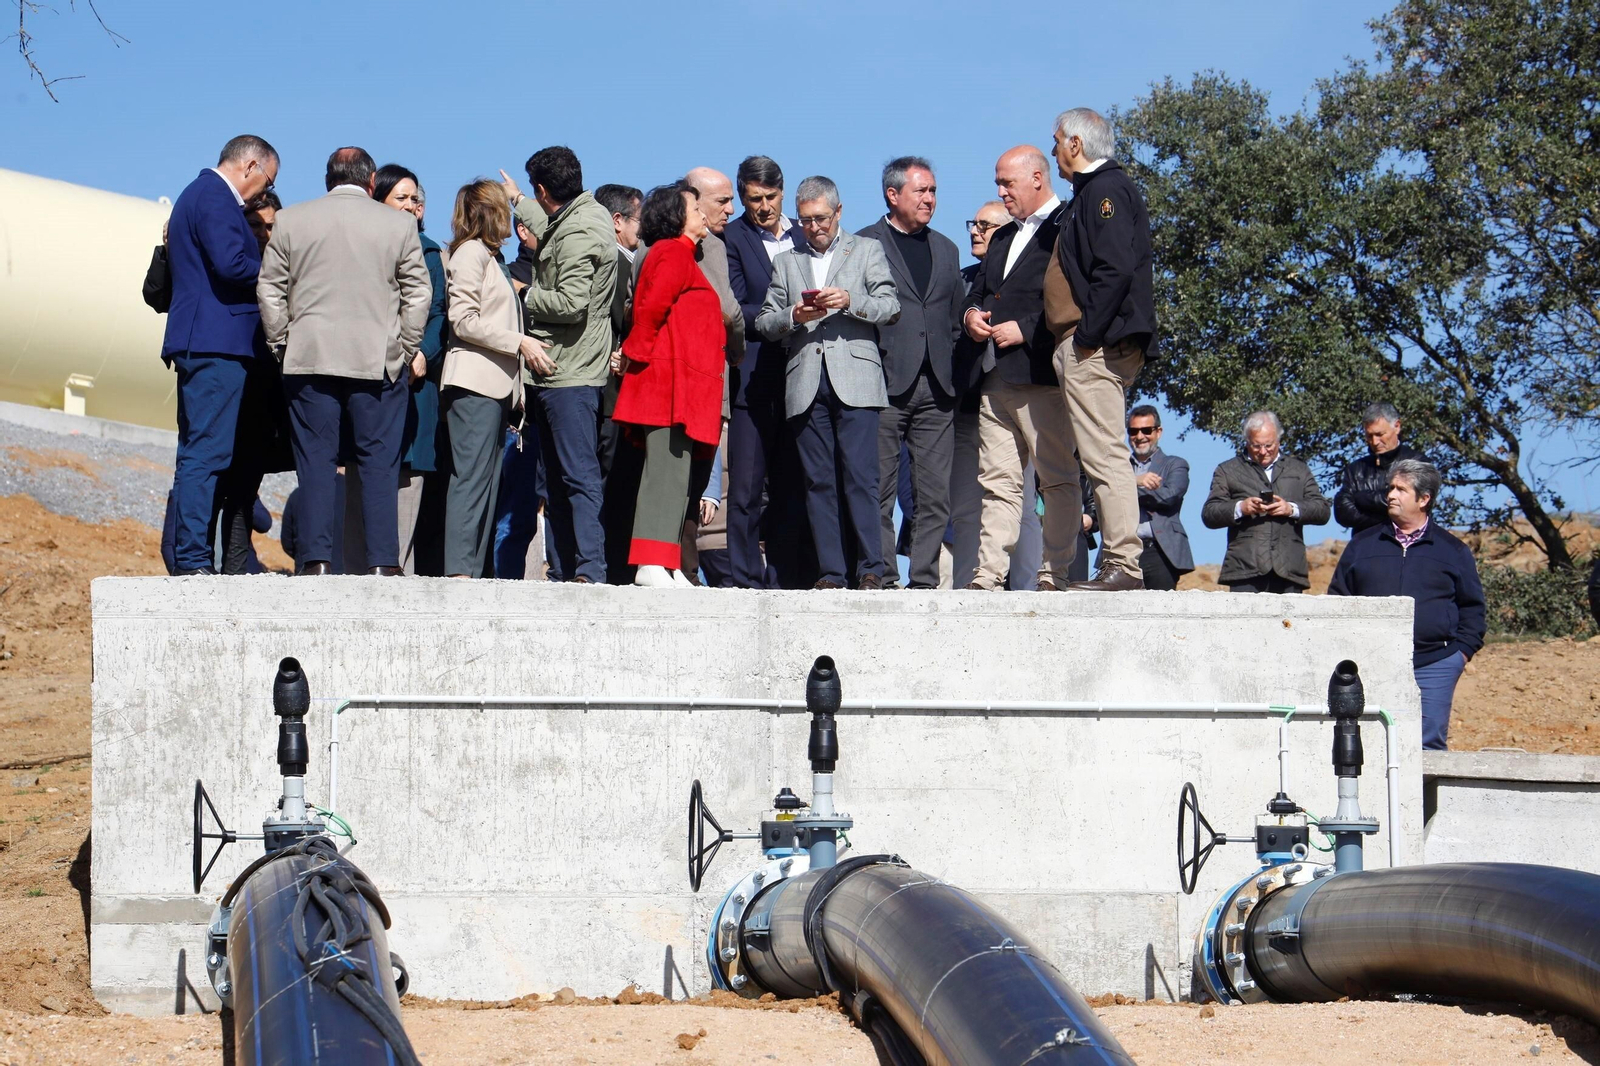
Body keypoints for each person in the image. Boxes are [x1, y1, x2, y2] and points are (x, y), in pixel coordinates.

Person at [258, 146, 430, 576]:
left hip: (309, 357)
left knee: (315, 463)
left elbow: (270, 289)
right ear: (372, 183)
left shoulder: (293, 220)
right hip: (377, 361)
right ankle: (382, 565)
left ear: (327, 178)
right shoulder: (398, 224)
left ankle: (315, 561)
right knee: (378, 463)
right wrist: (404, 347)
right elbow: (418, 292)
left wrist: (283, 343)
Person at [756, 176, 900, 590]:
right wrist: (793, 317)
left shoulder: (867, 250)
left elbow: (890, 307)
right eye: (804, 221)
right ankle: (832, 573)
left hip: (856, 378)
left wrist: (850, 301)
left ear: (838, 213)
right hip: (804, 382)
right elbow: (765, 321)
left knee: (861, 477)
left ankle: (872, 568)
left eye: (820, 218)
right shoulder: (786, 261)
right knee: (817, 482)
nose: (813, 227)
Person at [160, 134, 280, 575]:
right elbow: (231, 264)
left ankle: (191, 555)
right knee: (205, 454)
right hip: (215, 343)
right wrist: (283, 271)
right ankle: (192, 559)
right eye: (266, 180)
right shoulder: (215, 195)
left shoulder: (199, 194)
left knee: (200, 451)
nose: (263, 192)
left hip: (206, 340)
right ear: (249, 166)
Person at [1052, 107, 1158, 592]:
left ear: (1076, 144)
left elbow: (1115, 269)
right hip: (1092, 344)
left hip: (1099, 346)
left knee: (1104, 456)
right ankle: (1119, 562)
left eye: (1056, 142)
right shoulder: (1091, 193)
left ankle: (1123, 564)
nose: (1054, 151)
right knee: (1098, 454)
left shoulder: (1106, 190)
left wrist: (1087, 336)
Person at [961, 147, 1075, 591]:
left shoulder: (1068, 226)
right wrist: (970, 315)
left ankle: (1055, 573)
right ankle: (988, 577)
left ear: (1036, 178)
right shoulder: (1005, 237)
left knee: (1056, 479)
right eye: (997, 183)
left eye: (1007, 182)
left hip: (1041, 376)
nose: (1001, 191)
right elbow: (981, 290)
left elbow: (1076, 299)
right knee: (998, 484)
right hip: (993, 377)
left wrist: (1027, 330)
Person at [502, 147, 617, 584]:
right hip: (559, 370)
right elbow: (551, 220)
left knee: (577, 476)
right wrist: (518, 199)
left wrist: (524, 292)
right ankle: (567, 568)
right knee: (555, 481)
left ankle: (588, 570)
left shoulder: (580, 231)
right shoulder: (583, 216)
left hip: (570, 373)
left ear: (544, 189)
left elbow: (571, 303)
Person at [612, 182, 727, 586]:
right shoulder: (670, 252)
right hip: (667, 387)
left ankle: (667, 562)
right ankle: (649, 562)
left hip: (686, 389)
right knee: (664, 473)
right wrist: (633, 355)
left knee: (678, 477)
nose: (701, 214)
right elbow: (648, 311)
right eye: (695, 208)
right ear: (677, 217)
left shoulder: (685, 256)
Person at [858, 157, 964, 590]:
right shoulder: (863, 244)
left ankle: (923, 582)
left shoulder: (947, 248)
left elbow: (954, 320)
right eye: (921, 191)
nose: (930, 199)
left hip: (937, 388)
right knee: (879, 491)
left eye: (933, 191)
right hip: (882, 384)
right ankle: (881, 577)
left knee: (934, 495)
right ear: (893, 194)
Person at [1328, 459, 1486, 749]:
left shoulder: (1453, 551)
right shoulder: (1362, 546)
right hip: (1371, 663)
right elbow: (1338, 600)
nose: (1391, 495)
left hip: (1434, 664)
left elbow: (1473, 608)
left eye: (1401, 489)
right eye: (1391, 488)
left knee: (1426, 747)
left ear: (1424, 499)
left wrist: (1459, 655)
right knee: (1372, 745)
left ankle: (1422, 798)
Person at [340, 165, 450, 576]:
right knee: (359, 479)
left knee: (406, 481)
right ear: (377, 199)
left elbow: (439, 313)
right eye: (399, 198)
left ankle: (394, 580)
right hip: (364, 376)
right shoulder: (357, 244)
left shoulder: (429, 252)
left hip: (413, 382)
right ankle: (352, 579)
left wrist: (423, 352)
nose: (409, 206)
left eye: (414, 199)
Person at [440, 179, 537, 579]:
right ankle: (460, 573)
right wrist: (519, 342)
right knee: (472, 480)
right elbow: (462, 320)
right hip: (474, 384)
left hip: (494, 387)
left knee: (487, 483)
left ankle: (472, 573)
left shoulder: (489, 258)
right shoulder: (470, 255)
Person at [723, 155, 810, 589]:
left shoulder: (804, 233)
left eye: (771, 197)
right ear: (742, 195)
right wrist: (788, 314)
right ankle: (745, 581)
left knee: (792, 487)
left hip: (804, 377)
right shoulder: (732, 238)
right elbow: (736, 305)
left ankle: (784, 579)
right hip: (753, 379)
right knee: (746, 490)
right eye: (754, 198)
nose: (763, 206)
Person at [949, 200, 1041, 588]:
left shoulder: (1029, 275)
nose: (974, 230)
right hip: (971, 404)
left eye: (985, 226)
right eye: (974, 222)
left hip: (1024, 396)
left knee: (1021, 505)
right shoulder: (962, 280)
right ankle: (972, 588)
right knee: (969, 508)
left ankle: (1029, 587)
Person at [1201, 411, 1331, 593]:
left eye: (1268, 445)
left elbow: (1323, 510)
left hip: (1289, 569)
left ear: (1278, 440)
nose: (1263, 452)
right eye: (1256, 446)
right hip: (1244, 569)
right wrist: (1241, 508)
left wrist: (1291, 509)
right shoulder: (1227, 470)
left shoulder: (1299, 469)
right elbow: (1209, 513)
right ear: (1246, 441)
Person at [1126, 405, 1193, 590]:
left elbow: (1168, 497)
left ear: (1158, 432)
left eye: (1146, 430)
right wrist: (1135, 481)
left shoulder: (1175, 464)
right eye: (1133, 431)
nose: (1139, 437)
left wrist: (1125, 488)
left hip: (1160, 552)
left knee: (1160, 612)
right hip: (1124, 552)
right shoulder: (1119, 468)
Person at [1334, 402, 1423, 534]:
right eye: (1369, 436)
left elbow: (1410, 504)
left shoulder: (1417, 463)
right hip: (1366, 549)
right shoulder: (1355, 470)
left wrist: (1361, 498)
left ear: (1397, 426)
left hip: (1408, 547)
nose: (1375, 442)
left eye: (1380, 434)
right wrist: (1387, 518)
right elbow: (1342, 512)